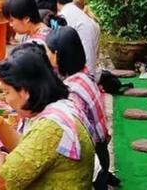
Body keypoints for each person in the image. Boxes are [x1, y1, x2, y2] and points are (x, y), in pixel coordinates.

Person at [0, 45, 95, 189]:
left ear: (25, 92)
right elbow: (27, 148)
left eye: (6, 92)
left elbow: (4, 180)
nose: (6, 100)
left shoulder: (51, 127)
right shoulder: (58, 109)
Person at [45, 27, 115, 189]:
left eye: (47, 52)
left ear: (56, 55)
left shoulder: (72, 89)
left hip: (94, 161)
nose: (46, 56)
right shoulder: (85, 75)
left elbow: (76, 138)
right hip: (101, 152)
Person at [49, 0, 100, 74]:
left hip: (81, 75)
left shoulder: (63, 16)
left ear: (55, 0)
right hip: (91, 73)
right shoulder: (80, 15)